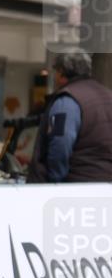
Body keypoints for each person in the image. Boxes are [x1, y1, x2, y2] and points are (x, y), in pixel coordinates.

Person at [27, 49, 112, 183]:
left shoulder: (67, 101)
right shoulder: (108, 95)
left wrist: (56, 181)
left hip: (76, 188)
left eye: (55, 72)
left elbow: (60, 144)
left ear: (61, 72)